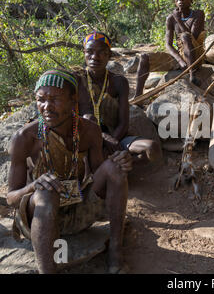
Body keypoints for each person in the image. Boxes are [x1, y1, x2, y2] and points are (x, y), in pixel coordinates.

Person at [7, 69, 132, 273]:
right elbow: (11, 197)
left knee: (115, 169)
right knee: (47, 193)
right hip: (39, 216)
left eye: (55, 99)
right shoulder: (24, 138)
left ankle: (115, 254)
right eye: (41, 100)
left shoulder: (89, 131)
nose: (47, 107)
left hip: (78, 210)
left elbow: (99, 175)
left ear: (74, 100)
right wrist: (33, 186)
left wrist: (120, 162)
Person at [77, 31, 161, 162]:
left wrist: (112, 142)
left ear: (109, 55)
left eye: (101, 52)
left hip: (115, 138)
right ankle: (114, 163)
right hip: (85, 139)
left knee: (152, 148)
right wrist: (102, 139)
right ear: (84, 53)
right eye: (90, 52)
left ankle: (118, 161)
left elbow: (123, 123)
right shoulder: (77, 80)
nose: (95, 57)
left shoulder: (118, 82)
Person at [133, 0, 206, 99]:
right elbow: (168, 44)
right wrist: (179, 60)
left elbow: (192, 38)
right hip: (181, 57)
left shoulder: (198, 14)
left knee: (185, 36)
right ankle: (138, 97)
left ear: (191, 0)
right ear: (175, 1)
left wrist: (178, 19)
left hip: (195, 56)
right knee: (144, 57)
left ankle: (192, 74)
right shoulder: (170, 18)